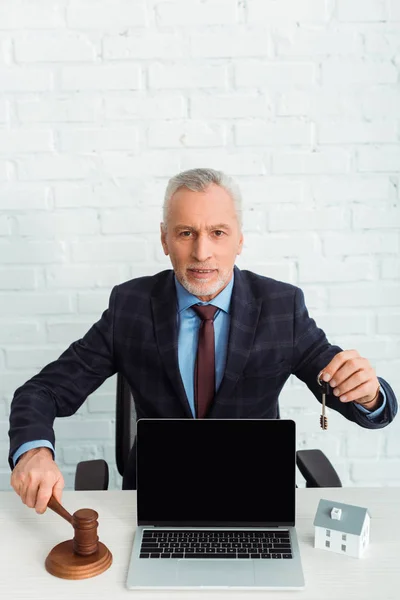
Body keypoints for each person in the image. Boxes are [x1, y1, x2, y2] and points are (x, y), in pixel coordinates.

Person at [8, 168, 398, 513]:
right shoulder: (130, 307)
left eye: (217, 233)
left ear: (239, 240)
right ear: (164, 239)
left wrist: (368, 395)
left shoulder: (282, 306)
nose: (202, 252)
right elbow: (42, 391)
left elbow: (350, 389)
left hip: (258, 498)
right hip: (153, 499)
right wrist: (34, 450)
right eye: (185, 233)